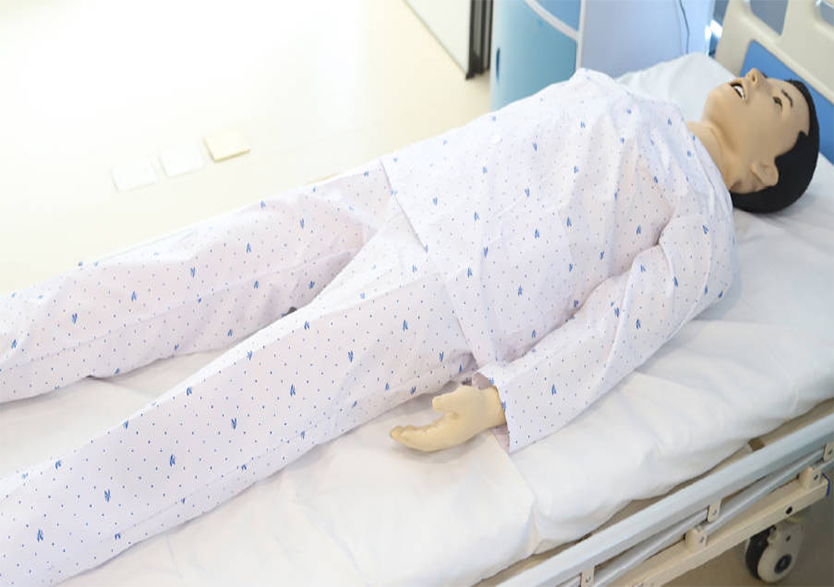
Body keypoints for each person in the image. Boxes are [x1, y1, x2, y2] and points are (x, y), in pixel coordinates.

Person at [0, 67, 819, 584]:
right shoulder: (630, 94)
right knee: (185, 267)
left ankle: (21, 533)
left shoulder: (704, 226)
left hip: (454, 285)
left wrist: (502, 397)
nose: (753, 76)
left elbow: (618, 330)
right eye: (762, 76)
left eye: (780, 99)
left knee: (231, 405)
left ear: (761, 172)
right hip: (401, 185)